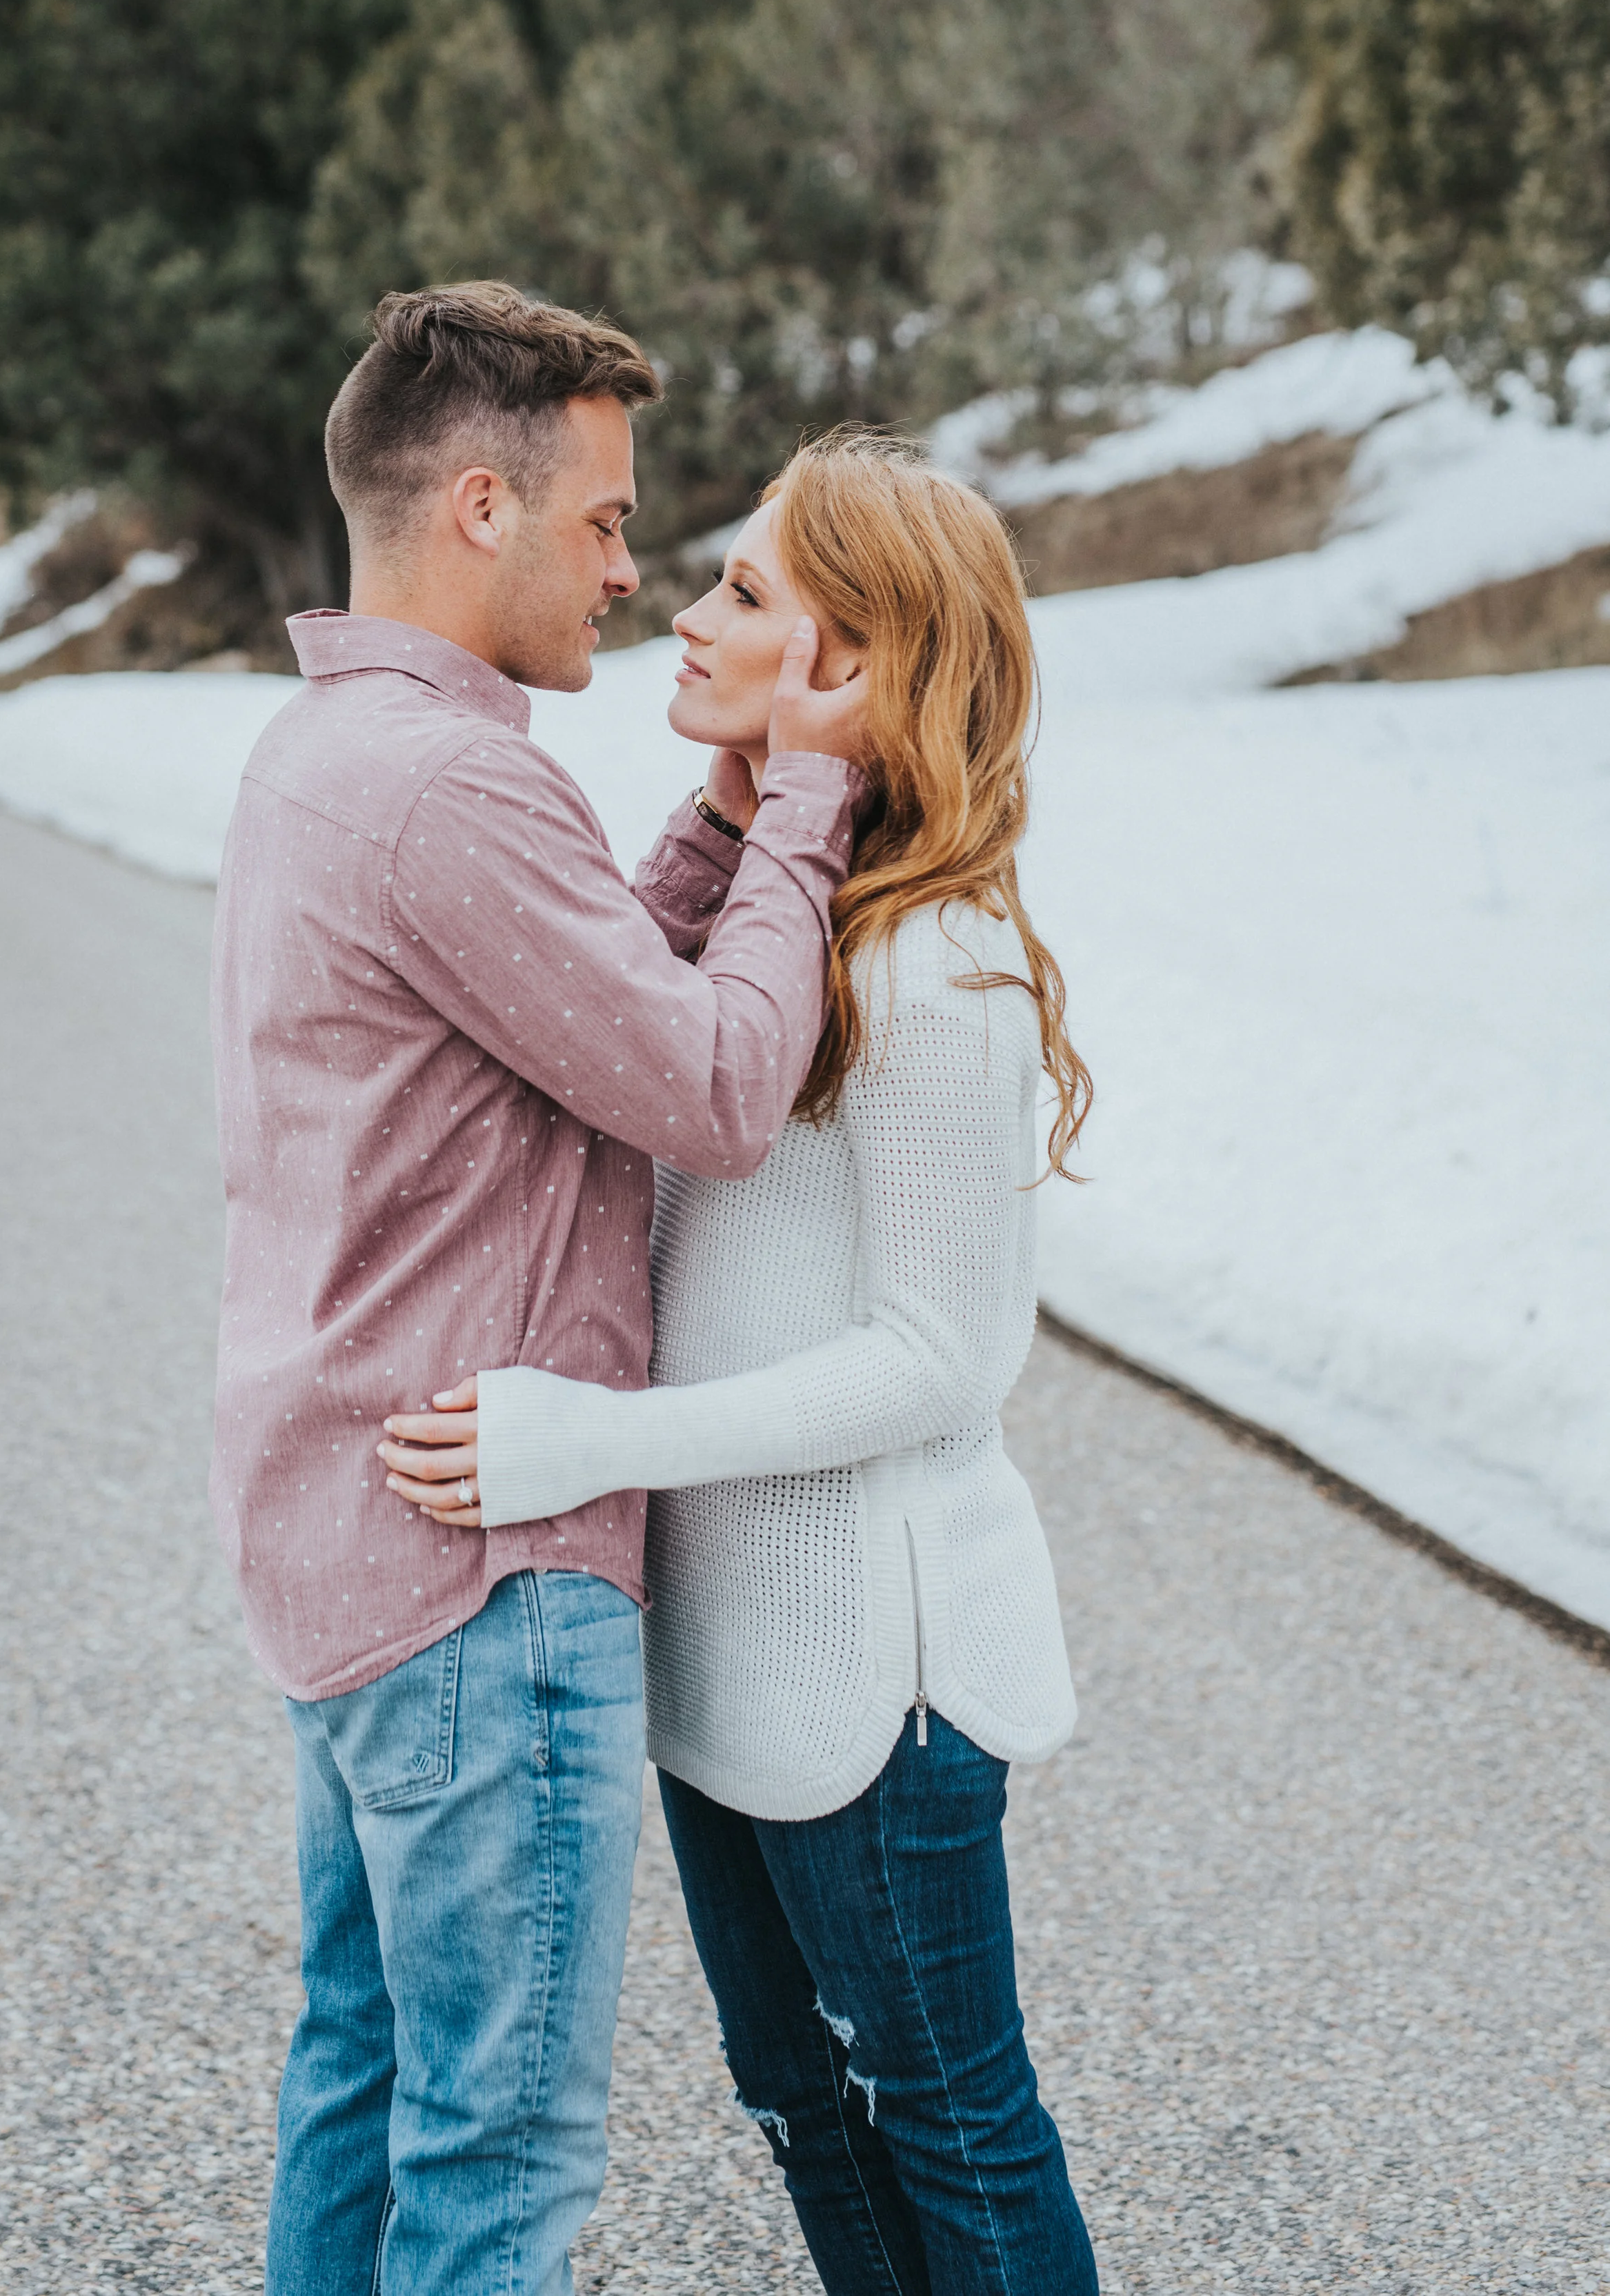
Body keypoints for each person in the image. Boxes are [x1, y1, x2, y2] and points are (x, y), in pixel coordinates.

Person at [379, 431, 1101, 2294]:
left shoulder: (934, 965)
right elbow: (592, 1060)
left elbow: (942, 1359)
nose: (686, 615)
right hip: (727, 1659)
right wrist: (734, 820)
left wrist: (597, 1441)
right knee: (801, 2103)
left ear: (855, 660)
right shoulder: (778, 925)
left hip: (878, 1673)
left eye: (748, 593)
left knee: (950, 2116)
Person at [208, 281, 870, 2296]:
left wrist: (721, 836)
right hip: (477, 1585)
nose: (625, 572)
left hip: (346, 1551)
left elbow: (560, 993)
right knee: (496, 2158)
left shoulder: (328, 753)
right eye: (602, 521)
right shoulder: (449, 786)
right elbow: (714, 1090)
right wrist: (814, 804)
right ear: (479, 506)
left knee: (362, 2089)